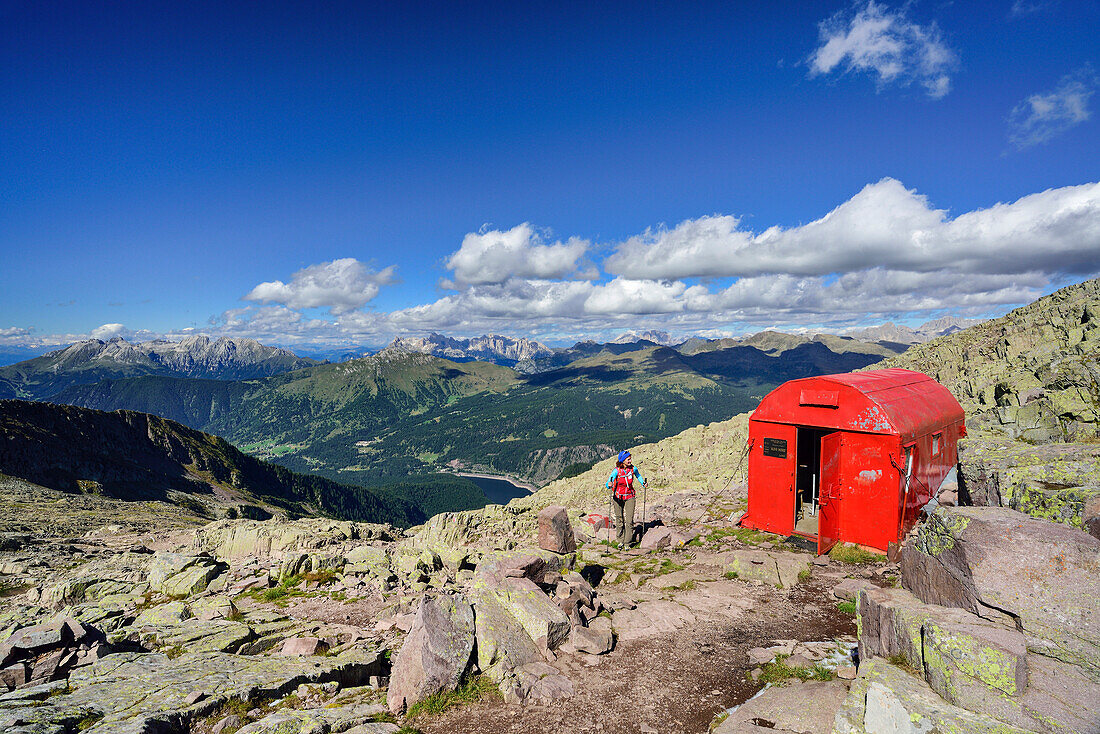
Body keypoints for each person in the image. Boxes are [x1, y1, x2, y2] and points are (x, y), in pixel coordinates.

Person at [606, 450, 646, 547]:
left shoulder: (633, 469)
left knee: (629, 520)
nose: (630, 460)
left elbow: (638, 475)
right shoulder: (616, 471)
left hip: (630, 496)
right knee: (619, 519)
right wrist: (609, 485)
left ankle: (627, 542)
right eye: (628, 459)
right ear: (622, 461)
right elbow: (608, 482)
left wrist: (643, 483)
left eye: (630, 458)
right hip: (618, 497)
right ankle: (620, 539)